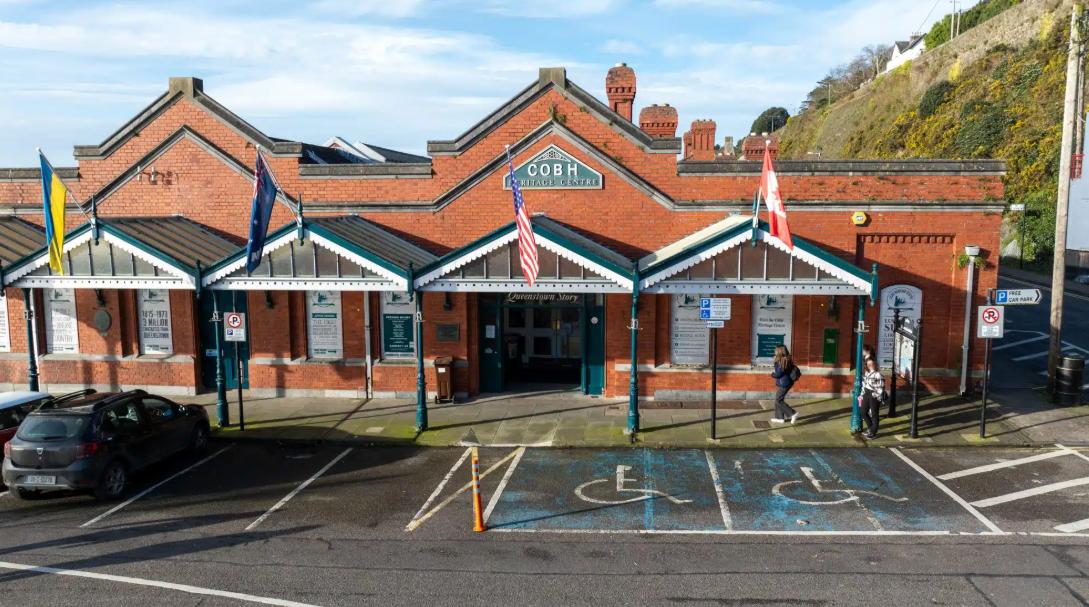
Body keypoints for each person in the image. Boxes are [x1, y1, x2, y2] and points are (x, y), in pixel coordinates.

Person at [770, 344, 799, 424]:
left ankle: (793, 413)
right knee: (778, 399)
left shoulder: (782, 361)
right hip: (786, 382)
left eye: (776, 350)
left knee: (778, 400)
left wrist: (772, 374)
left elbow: (779, 373)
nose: (774, 352)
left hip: (784, 383)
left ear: (780, 351)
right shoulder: (786, 358)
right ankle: (779, 418)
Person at [861, 357, 886, 439]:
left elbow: (881, 388)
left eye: (872, 364)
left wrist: (875, 395)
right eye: (868, 364)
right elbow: (864, 385)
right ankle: (871, 428)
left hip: (874, 395)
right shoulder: (866, 373)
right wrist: (862, 394)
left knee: (874, 414)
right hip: (867, 393)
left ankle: (873, 432)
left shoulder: (878, 374)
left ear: (875, 364)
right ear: (866, 365)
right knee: (863, 412)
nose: (870, 366)